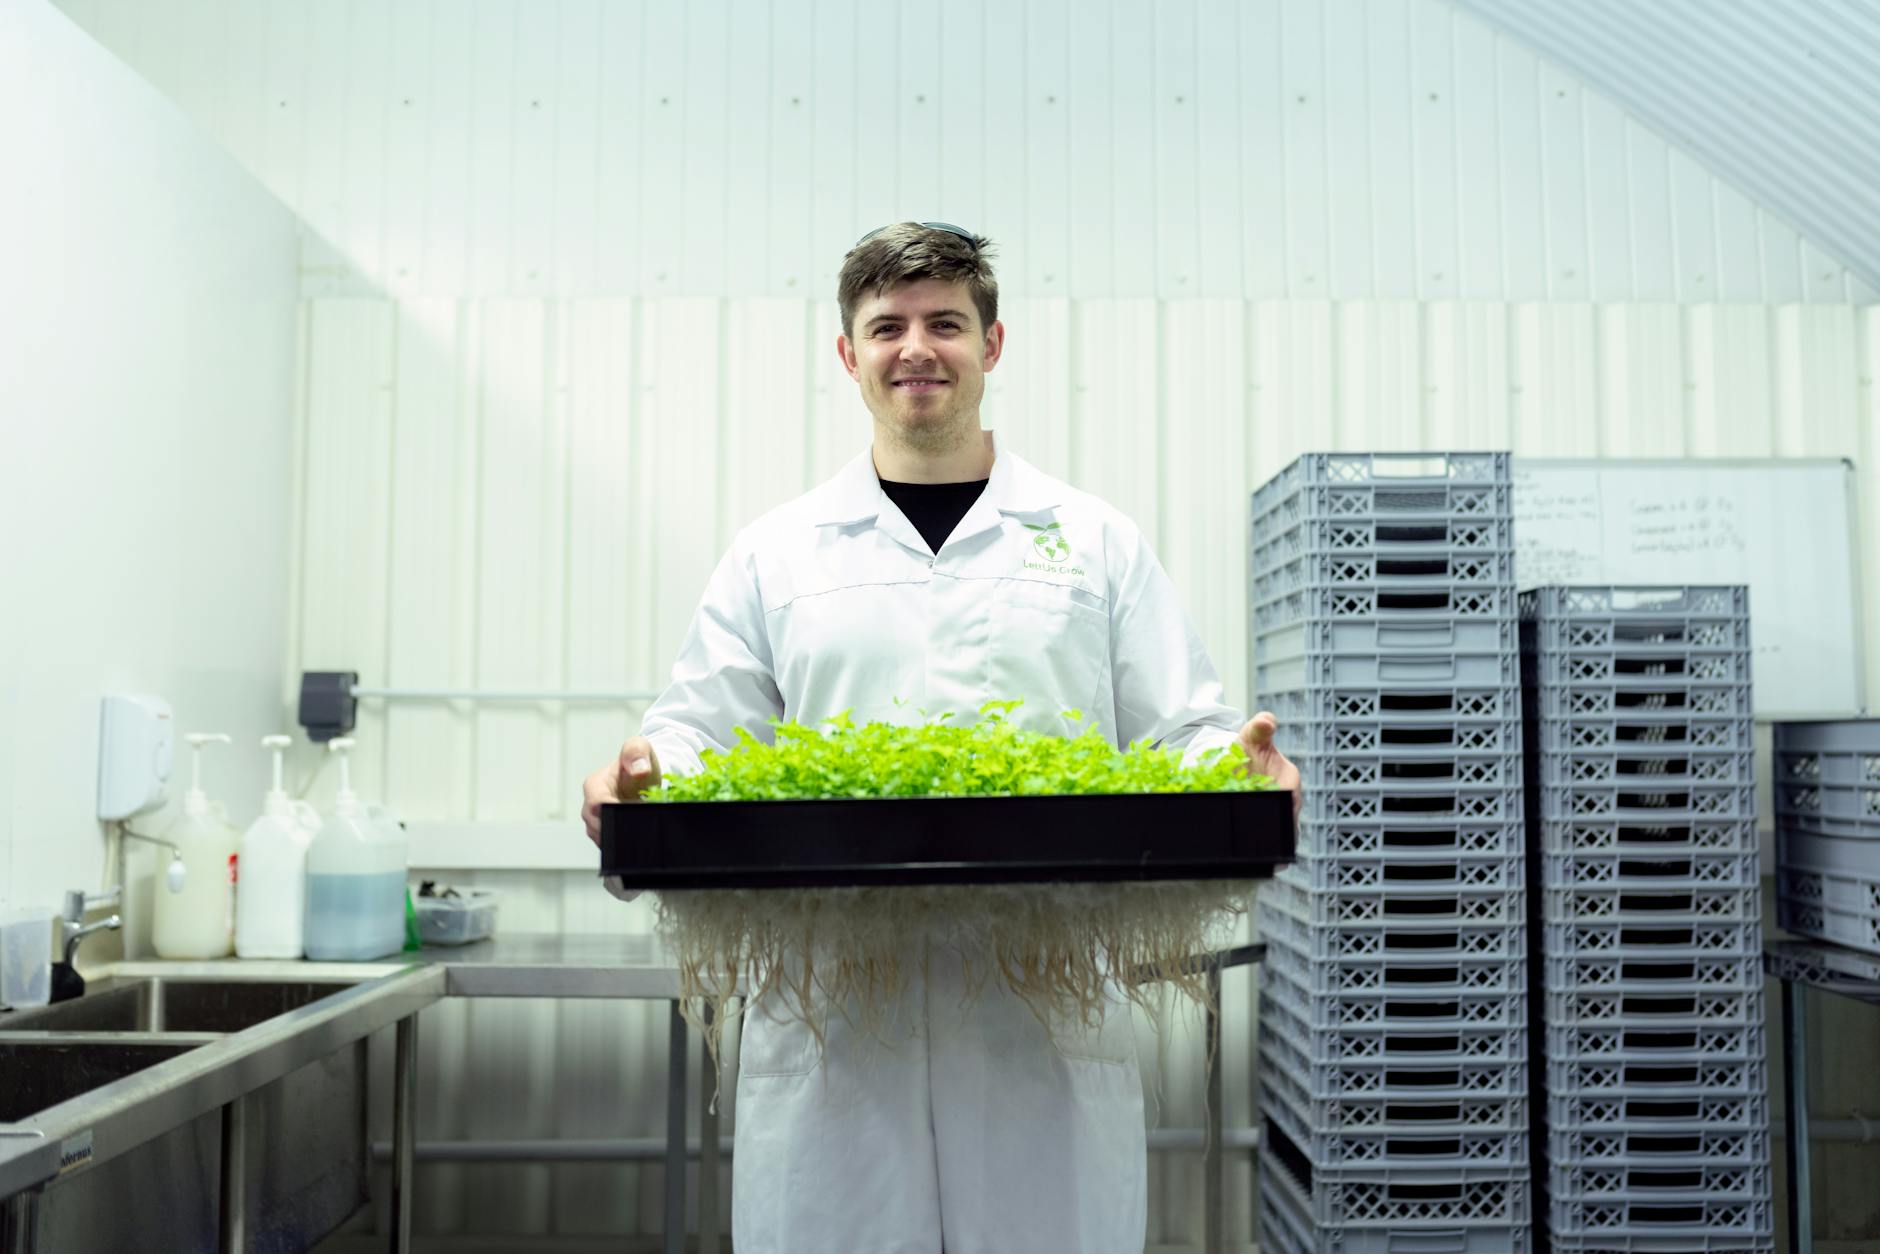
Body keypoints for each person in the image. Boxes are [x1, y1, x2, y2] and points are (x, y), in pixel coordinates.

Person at [581, 222, 1301, 1254]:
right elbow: (697, 738)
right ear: (848, 355)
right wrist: (637, 783)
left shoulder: (1090, 541)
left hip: (1038, 1017)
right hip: (835, 1025)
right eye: (886, 327)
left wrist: (1238, 775)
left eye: (944, 324)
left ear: (990, 345)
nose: (915, 347)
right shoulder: (777, 552)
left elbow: (1178, 733)